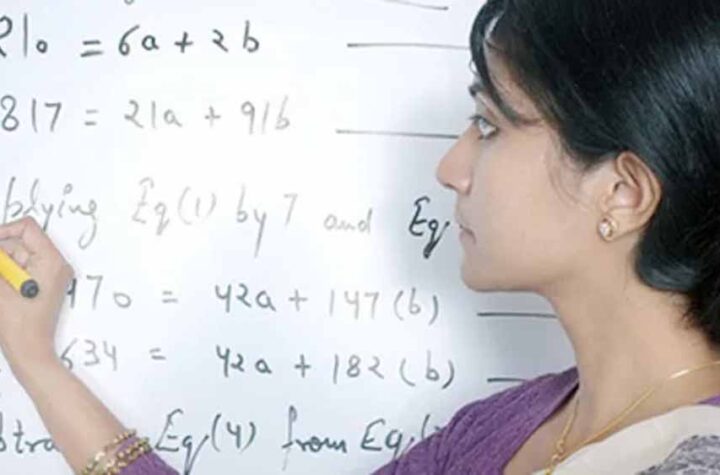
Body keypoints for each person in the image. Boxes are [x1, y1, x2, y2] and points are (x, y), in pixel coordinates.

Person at [2, 0, 720, 473]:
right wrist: (37, 361)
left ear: (623, 192)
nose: (451, 167)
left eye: (490, 125)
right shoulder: (505, 428)